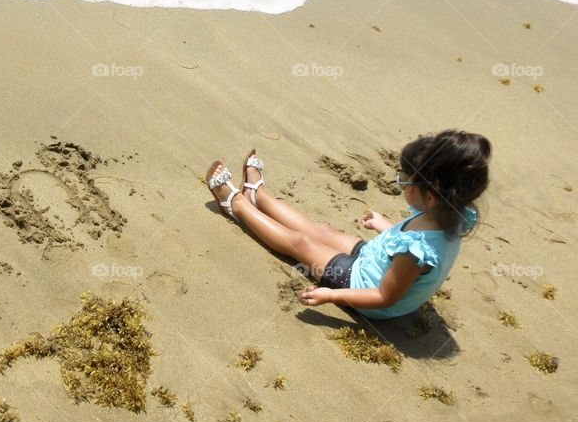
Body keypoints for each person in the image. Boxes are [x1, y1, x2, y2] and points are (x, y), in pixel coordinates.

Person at [205, 129, 490, 319]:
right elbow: (417, 233)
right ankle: (259, 196)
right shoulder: (453, 212)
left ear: (429, 196)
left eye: (405, 180)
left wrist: (333, 295)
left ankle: (237, 204)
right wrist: (384, 227)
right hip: (376, 261)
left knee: (301, 243)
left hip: (362, 286)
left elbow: (384, 296)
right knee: (322, 231)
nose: (401, 184)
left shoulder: (415, 252)